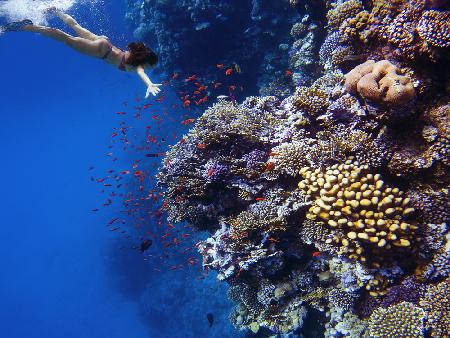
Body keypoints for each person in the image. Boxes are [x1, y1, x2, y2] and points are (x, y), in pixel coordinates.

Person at [3, 9, 162, 98]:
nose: (147, 68)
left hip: (105, 42)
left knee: (75, 26)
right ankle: (27, 27)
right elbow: (141, 73)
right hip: (100, 51)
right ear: (145, 62)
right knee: (65, 38)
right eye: (149, 66)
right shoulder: (137, 66)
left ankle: (55, 10)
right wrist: (149, 84)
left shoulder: (134, 55)